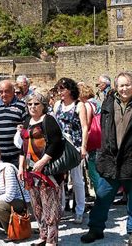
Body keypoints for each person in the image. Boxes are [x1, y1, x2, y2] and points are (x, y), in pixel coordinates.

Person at [80, 72, 132, 246]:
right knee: (102, 196)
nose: (124, 88)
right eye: (121, 85)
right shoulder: (108, 103)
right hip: (111, 159)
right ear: (116, 87)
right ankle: (95, 229)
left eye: (127, 84)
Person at [18, 92, 65, 246]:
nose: (32, 107)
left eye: (36, 104)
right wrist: (20, 167)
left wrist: (43, 161)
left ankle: (52, 240)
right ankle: (43, 235)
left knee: (50, 205)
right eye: (30, 104)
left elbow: (55, 143)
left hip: (47, 171)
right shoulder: (27, 121)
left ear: (43, 105)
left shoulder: (48, 120)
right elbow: (23, 147)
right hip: (30, 172)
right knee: (36, 205)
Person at [53, 77, 88, 224]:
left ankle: (79, 210)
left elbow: (85, 127)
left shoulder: (79, 106)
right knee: (60, 180)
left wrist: (84, 147)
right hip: (61, 146)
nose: (60, 92)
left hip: (75, 145)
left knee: (77, 180)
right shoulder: (57, 105)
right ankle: (60, 209)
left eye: (63, 89)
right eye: (59, 89)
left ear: (70, 90)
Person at [0, 80, 27, 167]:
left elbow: (27, 127)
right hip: (0, 155)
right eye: (1, 92)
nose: (3, 94)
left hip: (17, 155)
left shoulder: (22, 106)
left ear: (13, 91)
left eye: (7, 91)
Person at [78, 83, 101, 195]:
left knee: (93, 171)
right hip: (101, 139)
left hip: (93, 139)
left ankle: (100, 197)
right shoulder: (97, 103)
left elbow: (86, 124)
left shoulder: (87, 104)